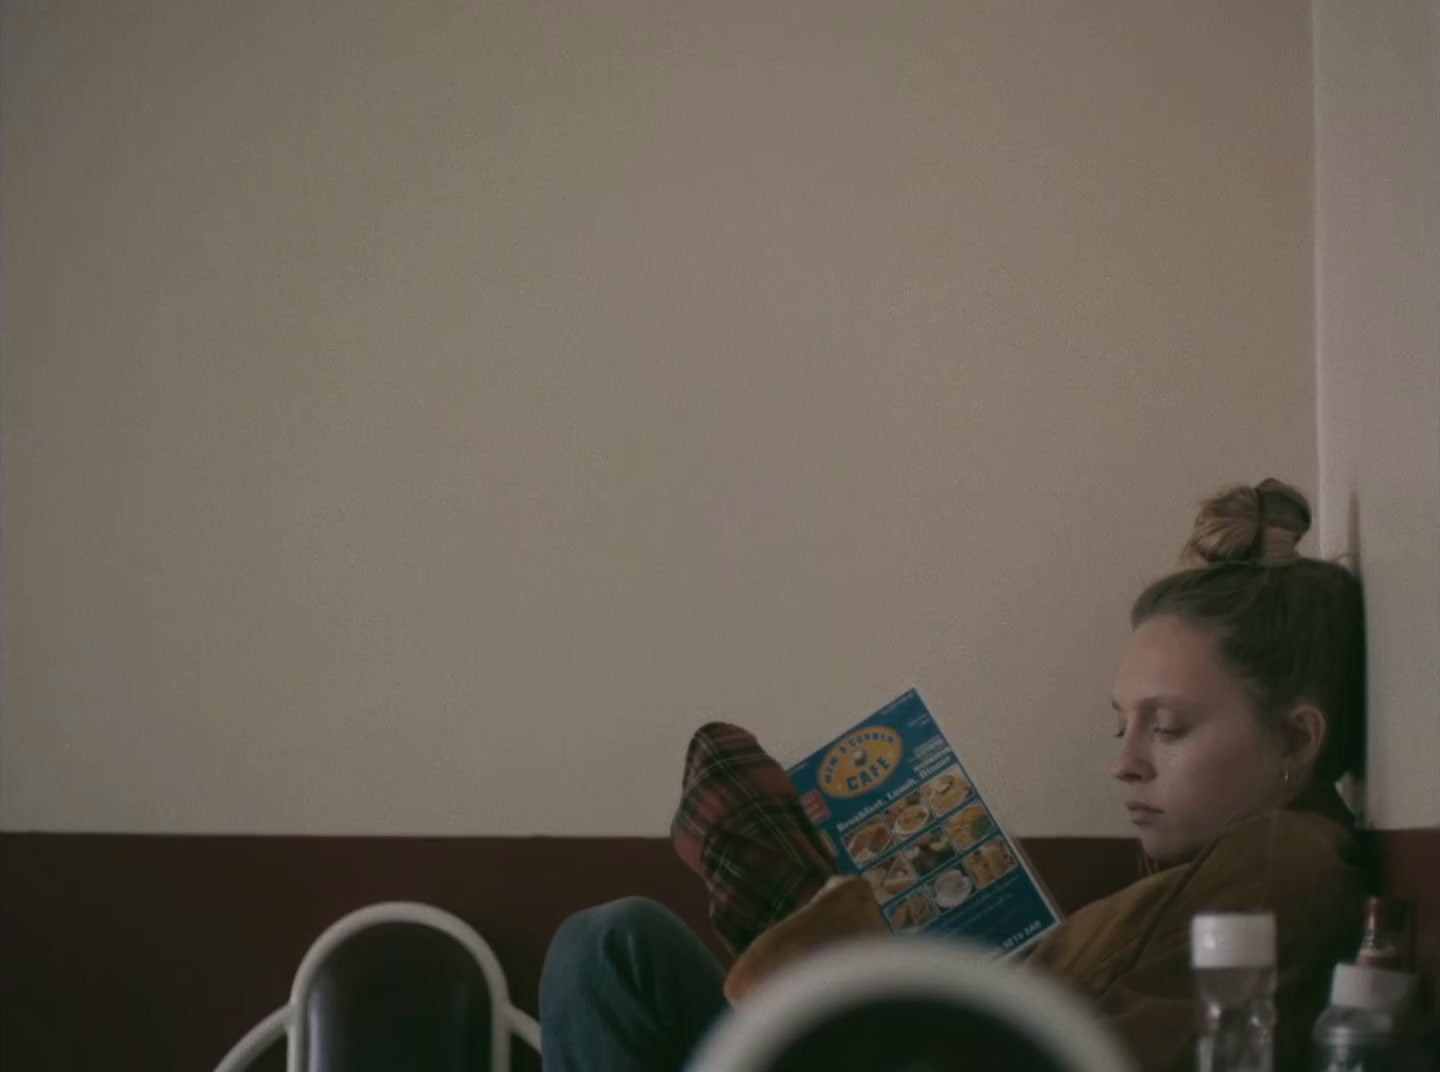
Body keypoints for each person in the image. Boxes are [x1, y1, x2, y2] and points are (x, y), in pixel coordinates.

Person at [539, 479, 1368, 1072]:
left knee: (610, 944)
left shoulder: (1281, 861)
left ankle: (807, 924)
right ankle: (812, 926)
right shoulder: (1207, 872)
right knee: (614, 941)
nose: (1123, 761)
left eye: (1170, 727)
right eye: (1121, 723)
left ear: (1296, 739)